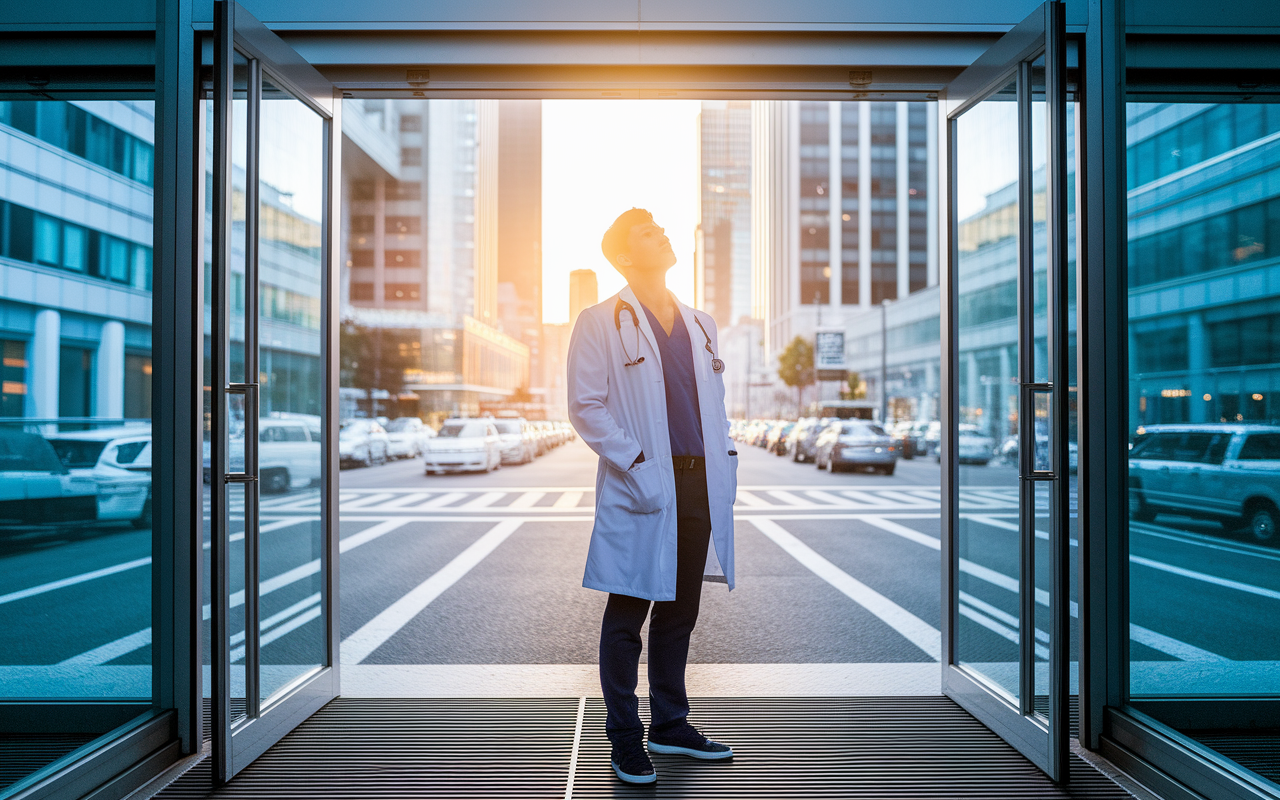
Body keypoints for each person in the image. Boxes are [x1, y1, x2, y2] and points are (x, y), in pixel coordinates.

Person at [566, 207, 739, 784]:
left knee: (680, 612)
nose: (661, 236)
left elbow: (711, 406)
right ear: (622, 255)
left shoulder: (701, 322)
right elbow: (585, 407)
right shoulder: (599, 320)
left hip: (700, 483)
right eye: (647, 233)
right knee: (628, 612)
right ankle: (624, 741)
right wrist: (636, 462)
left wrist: (727, 455)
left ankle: (670, 725)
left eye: (661, 230)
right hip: (644, 482)